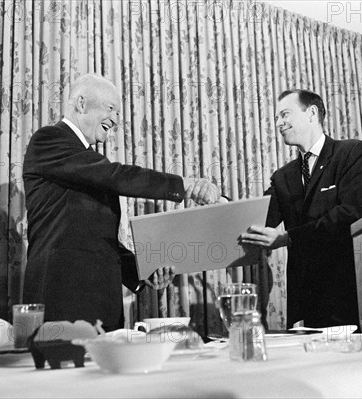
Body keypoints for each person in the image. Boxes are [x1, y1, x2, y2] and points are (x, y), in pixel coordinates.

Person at [22, 74, 219, 331]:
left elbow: (95, 237)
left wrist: (142, 271)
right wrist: (185, 185)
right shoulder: (49, 140)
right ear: (81, 104)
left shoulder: (89, 162)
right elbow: (115, 175)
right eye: (110, 108)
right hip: (63, 298)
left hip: (102, 304)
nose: (116, 119)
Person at [241, 89, 362, 328]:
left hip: (347, 296)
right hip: (303, 303)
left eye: (284, 114)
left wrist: (288, 238)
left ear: (312, 113)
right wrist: (221, 204)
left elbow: (350, 214)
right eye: (276, 118)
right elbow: (260, 218)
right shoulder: (283, 177)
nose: (278, 123)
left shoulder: (352, 153)